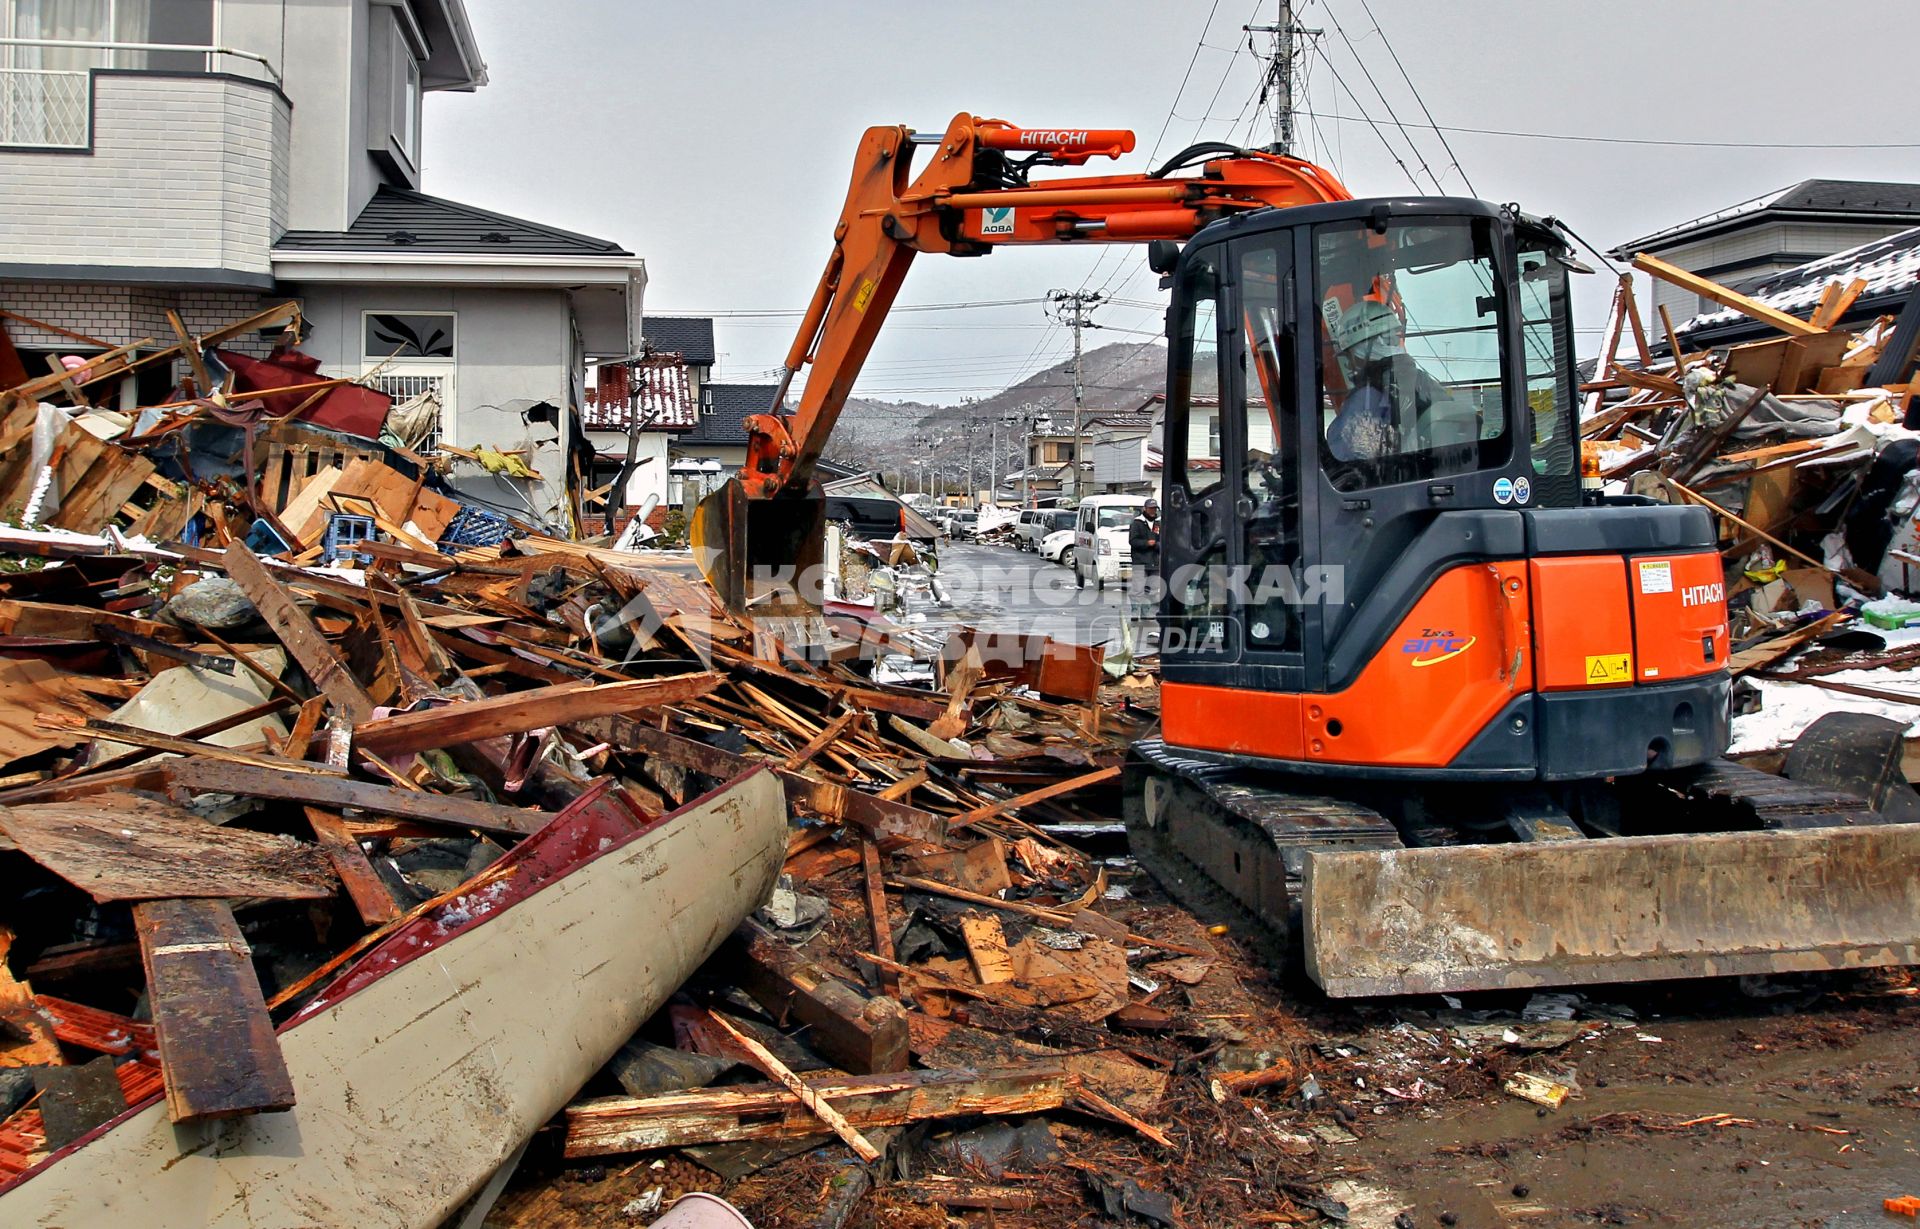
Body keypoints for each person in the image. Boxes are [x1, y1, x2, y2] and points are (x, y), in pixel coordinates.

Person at [1326, 299, 1445, 463]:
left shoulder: (1367, 396)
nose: (1349, 363)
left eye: (1350, 354)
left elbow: (1344, 459)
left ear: (1365, 347)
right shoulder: (1424, 382)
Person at [1128, 498, 1162, 641]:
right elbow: (1133, 541)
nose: (1153, 511)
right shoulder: (1137, 523)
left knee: (1153, 589)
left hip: (1154, 562)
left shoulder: (1159, 523)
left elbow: (1162, 539)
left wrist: (1157, 545)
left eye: (1154, 509)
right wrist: (1146, 543)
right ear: (1145, 509)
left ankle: (1146, 612)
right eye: (1150, 509)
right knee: (1138, 589)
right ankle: (1135, 612)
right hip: (1140, 561)